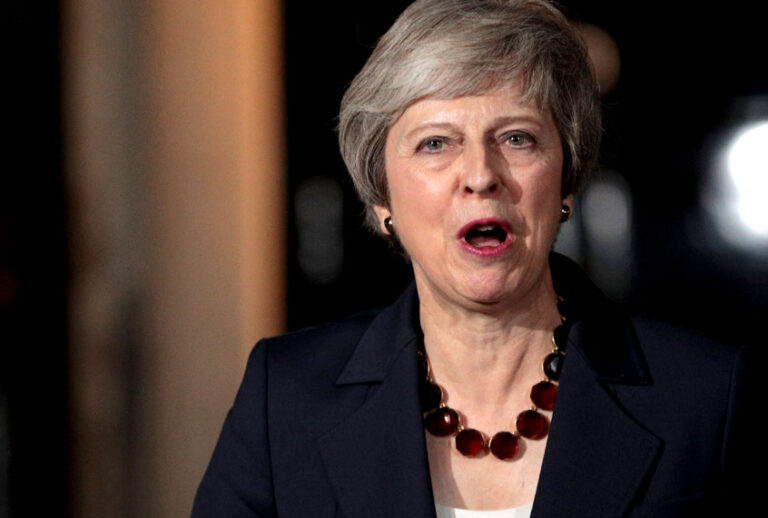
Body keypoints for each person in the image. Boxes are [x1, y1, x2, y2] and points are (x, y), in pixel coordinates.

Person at [192, 1, 753, 516]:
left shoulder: (706, 395)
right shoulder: (285, 397)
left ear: (566, 181)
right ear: (381, 196)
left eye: (517, 139)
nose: (481, 176)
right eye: (436, 143)